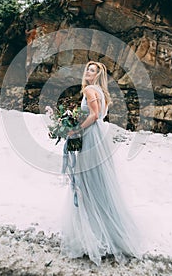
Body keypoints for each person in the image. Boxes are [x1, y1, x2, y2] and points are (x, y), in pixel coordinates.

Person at [60, 61, 144, 266]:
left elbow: (94, 115)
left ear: (97, 75)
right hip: (98, 138)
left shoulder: (89, 89)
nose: (87, 72)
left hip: (90, 137)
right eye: (87, 68)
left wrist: (75, 130)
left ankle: (93, 235)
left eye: (92, 70)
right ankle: (104, 230)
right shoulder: (100, 92)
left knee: (87, 183)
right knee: (98, 183)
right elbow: (98, 115)